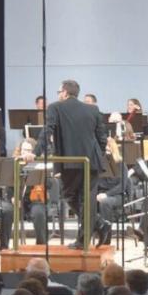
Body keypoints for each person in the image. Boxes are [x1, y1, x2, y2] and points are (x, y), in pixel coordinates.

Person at [39, 79, 108, 248]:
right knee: (87, 201)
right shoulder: (93, 109)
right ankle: (97, 224)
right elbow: (102, 138)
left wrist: (34, 152)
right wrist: (98, 155)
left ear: (64, 92)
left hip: (70, 161)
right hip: (91, 162)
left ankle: (89, 233)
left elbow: (47, 130)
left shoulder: (55, 107)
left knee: (70, 196)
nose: (58, 95)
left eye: (59, 92)